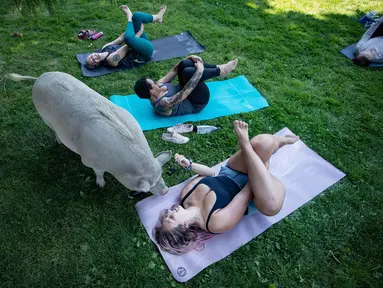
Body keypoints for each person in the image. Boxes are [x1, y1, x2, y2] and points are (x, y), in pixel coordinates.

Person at [153, 120, 300, 255]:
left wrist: (190, 165)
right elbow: (245, 195)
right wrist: (260, 168)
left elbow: (211, 173)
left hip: (232, 172)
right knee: (271, 206)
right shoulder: (215, 223)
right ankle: (246, 145)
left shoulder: (186, 195)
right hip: (254, 193)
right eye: (171, 218)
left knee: (265, 143)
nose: (170, 212)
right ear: (184, 226)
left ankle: (281, 141)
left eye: (166, 214)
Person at [134, 56, 238, 117]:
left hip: (187, 90)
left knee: (184, 64)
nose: (156, 82)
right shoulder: (162, 105)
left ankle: (218, 67)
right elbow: (185, 93)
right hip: (196, 101)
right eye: (154, 83)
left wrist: (189, 57)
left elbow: (174, 70)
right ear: (151, 91)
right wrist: (200, 70)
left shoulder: (159, 85)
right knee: (189, 72)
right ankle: (220, 71)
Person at [85, 5, 167, 69]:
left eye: (91, 57)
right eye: (93, 61)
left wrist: (134, 29)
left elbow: (120, 38)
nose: (94, 58)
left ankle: (158, 17)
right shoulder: (110, 60)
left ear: (92, 53)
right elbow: (127, 46)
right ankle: (129, 16)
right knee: (128, 39)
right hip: (143, 53)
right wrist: (138, 34)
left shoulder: (105, 47)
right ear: (97, 64)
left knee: (137, 16)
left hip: (137, 41)